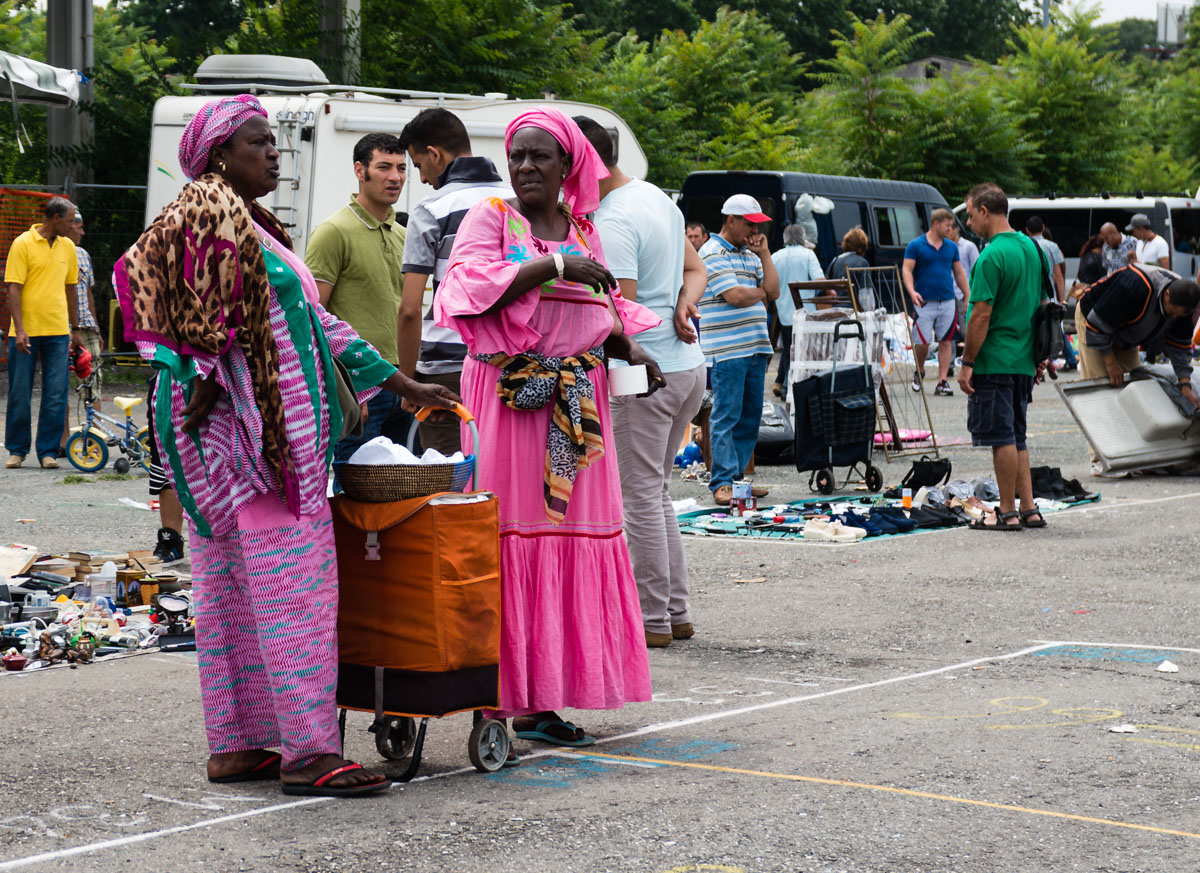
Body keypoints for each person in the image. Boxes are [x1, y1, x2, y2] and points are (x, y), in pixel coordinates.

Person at [115, 94, 457, 796]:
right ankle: (307, 752)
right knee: (293, 591)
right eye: (258, 143)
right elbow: (166, 295)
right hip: (256, 444)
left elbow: (317, 326)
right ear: (218, 156)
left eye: (274, 142)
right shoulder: (210, 213)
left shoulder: (247, 225)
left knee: (234, 591)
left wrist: (402, 384)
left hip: (242, 441)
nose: (273, 153)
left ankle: (237, 743)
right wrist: (200, 367)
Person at [434, 107, 663, 747]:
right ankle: (497, 698)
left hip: (576, 404)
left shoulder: (584, 228)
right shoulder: (491, 219)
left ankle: (543, 698)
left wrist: (633, 352)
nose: (526, 166)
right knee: (508, 536)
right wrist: (555, 267)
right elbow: (466, 290)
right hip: (510, 400)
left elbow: (599, 315)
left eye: (541, 156)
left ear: (568, 165)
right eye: (518, 156)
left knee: (567, 535)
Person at [577, 115, 707, 650]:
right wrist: (682, 303)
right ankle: (673, 612)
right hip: (686, 364)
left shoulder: (612, 218)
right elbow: (695, 270)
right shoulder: (656, 196)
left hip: (644, 371)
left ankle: (651, 619)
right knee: (655, 495)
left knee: (639, 498)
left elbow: (618, 311)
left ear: (584, 162)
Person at [305, 133, 417, 491]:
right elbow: (312, 317)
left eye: (402, 168)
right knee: (353, 491)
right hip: (359, 385)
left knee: (398, 489)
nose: (395, 177)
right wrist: (345, 390)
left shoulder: (403, 234)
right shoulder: (333, 231)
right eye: (383, 167)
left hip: (401, 380)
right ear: (360, 170)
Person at [397, 108, 511, 455]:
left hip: (445, 369)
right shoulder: (516, 203)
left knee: (449, 482)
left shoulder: (431, 209)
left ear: (435, 154)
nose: (423, 177)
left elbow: (410, 309)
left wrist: (407, 382)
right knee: (498, 478)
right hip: (509, 363)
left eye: (418, 166)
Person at [959, 182, 1045, 530]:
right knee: (1018, 436)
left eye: (969, 214)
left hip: (995, 358)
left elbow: (981, 315)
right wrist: (1039, 353)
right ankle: (1029, 508)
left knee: (1002, 438)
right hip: (1024, 356)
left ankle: (1006, 511)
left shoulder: (991, 255)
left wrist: (967, 363)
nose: (968, 222)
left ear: (984, 210)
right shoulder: (1031, 249)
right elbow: (1041, 308)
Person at [1075, 264, 1199, 474]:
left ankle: (1134, 454)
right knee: (1101, 389)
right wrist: (1110, 361)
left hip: (1127, 334)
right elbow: (1097, 325)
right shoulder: (1134, 285)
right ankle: (1101, 459)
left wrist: (1185, 384)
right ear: (1167, 295)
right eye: (1172, 312)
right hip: (1094, 322)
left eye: (1178, 315)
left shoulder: (1184, 303)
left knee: (1137, 388)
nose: (1174, 318)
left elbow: (1179, 348)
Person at [697, 194, 780, 506]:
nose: (753, 230)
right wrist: (760, 294)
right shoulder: (712, 251)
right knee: (726, 414)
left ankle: (736, 481)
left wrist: (766, 255)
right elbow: (735, 295)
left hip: (755, 346)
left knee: (749, 417)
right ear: (730, 219)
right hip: (728, 349)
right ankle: (721, 481)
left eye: (757, 224)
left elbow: (774, 290)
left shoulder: (752, 254)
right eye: (748, 223)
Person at [5, 196, 80, 470]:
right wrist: (20, 329)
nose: (73, 225)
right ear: (56, 218)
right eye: (70, 220)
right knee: (19, 393)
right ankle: (17, 449)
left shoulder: (68, 247)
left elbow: (71, 288)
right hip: (24, 333)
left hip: (58, 332)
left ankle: (48, 451)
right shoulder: (23, 243)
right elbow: (13, 287)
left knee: (56, 394)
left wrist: (77, 328)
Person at [902, 208, 970, 397]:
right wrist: (912, 291)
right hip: (924, 301)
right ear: (936, 224)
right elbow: (907, 269)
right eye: (948, 226)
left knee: (946, 340)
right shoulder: (916, 245)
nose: (951, 229)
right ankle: (920, 369)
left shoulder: (951, 247)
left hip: (947, 299)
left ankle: (942, 381)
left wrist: (967, 294)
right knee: (922, 342)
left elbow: (959, 272)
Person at [770, 224, 825, 397]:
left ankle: (786, 387)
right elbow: (819, 280)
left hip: (784, 313)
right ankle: (795, 388)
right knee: (804, 352)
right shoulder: (808, 255)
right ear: (802, 238)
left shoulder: (775, 256)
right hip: (805, 312)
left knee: (788, 351)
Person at [1025, 216, 1077, 370]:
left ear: (1027, 230)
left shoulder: (1025, 245)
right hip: (1048, 294)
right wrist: (1061, 300)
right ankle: (1068, 359)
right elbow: (1058, 275)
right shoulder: (1052, 246)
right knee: (1055, 328)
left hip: (1030, 294)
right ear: (1043, 228)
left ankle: (1041, 362)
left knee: (1033, 328)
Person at [827, 226, 875, 311]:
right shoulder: (862, 263)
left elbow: (826, 285)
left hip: (835, 311)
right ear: (863, 245)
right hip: (853, 314)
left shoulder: (835, 260)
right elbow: (866, 298)